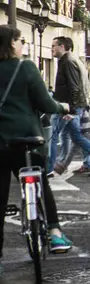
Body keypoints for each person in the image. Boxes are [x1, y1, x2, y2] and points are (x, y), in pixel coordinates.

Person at [0, 25, 74, 257]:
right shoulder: (26, 67)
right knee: (41, 183)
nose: (23, 44)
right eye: (20, 40)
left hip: (0, 144)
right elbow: (45, 103)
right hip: (27, 141)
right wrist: (62, 107)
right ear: (12, 43)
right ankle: (54, 233)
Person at [48, 36, 90, 179]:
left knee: (52, 136)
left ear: (63, 47)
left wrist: (71, 110)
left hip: (66, 106)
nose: (52, 48)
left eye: (54, 45)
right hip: (72, 105)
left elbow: (74, 87)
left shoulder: (68, 62)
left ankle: (49, 169)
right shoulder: (69, 61)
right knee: (77, 137)